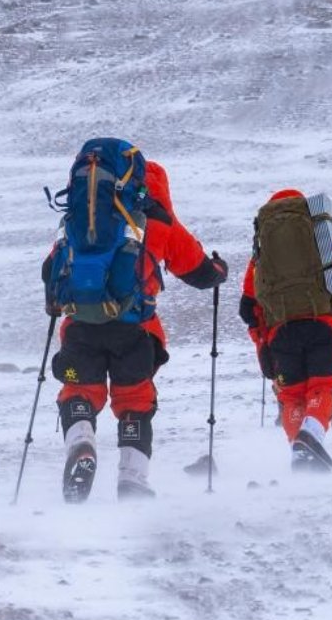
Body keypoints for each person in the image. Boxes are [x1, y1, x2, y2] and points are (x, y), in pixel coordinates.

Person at [43, 138, 227, 502]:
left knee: (79, 390)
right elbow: (200, 273)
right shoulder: (158, 219)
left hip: (80, 326)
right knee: (135, 401)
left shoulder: (79, 218)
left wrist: (55, 303)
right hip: (135, 331)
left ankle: (81, 443)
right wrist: (219, 270)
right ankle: (132, 479)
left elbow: (52, 269)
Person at [238, 189, 332, 472]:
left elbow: (248, 308)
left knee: (291, 394)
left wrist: (263, 346)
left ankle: (301, 454)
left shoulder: (260, 255)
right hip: (324, 326)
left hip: (281, 333)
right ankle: (310, 437)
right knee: (325, 385)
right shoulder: (323, 240)